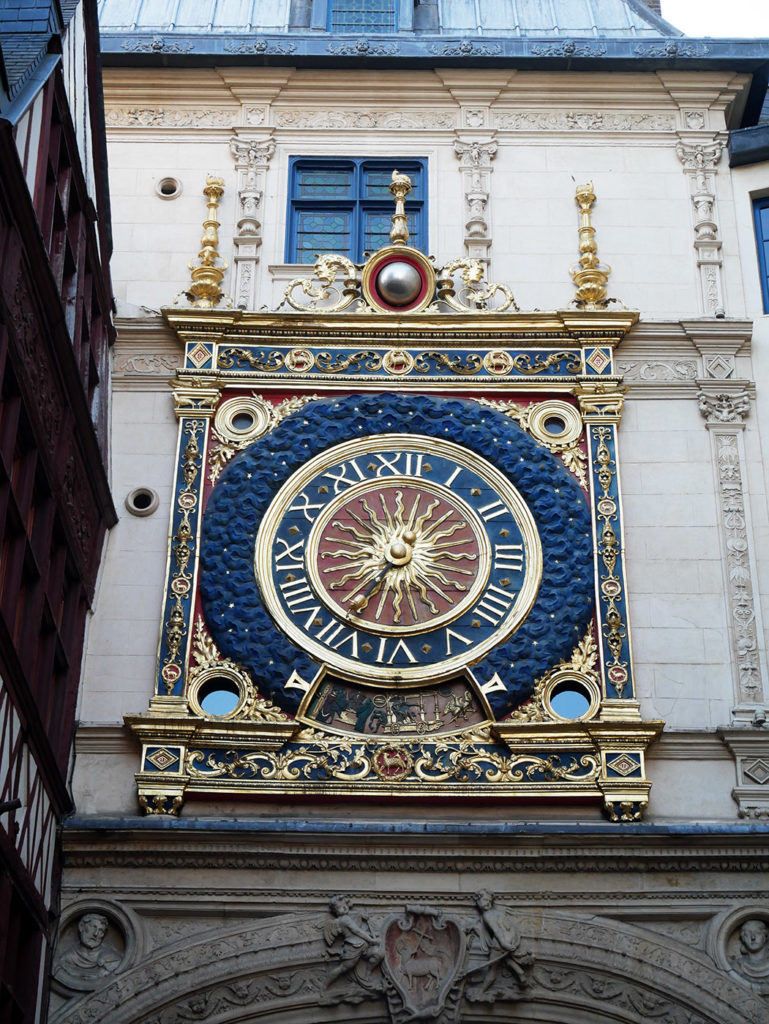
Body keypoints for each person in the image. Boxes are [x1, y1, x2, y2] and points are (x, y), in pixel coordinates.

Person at [56, 913, 121, 979]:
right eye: (93, 927)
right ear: (81, 926)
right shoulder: (68, 957)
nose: (96, 934)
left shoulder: (111, 958)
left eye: (101, 931)